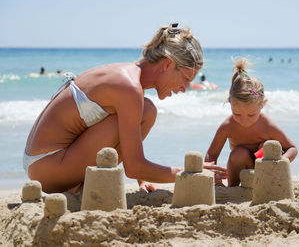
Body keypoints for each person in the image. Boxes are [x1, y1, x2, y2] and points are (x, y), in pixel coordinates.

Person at [23, 23, 227, 194]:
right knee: (146, 111)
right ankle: (75, 186)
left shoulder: (126, 75)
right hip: (47, 168)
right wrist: (188, 172)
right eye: (185, 78)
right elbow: (134, 166)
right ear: (166, 65)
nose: (184, 88)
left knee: (146, 110)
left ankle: (78, 184)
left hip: (42, 164)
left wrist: (141, 180)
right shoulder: (128, 87)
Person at [205, 58, 298, 187]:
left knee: (266, 146)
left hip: (267, 170)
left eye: (251, 114)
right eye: (237, 114)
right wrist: (214, 176)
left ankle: (265, 186)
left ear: (262, 104)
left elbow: (292, 148)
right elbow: (212, 154)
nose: (244, 119)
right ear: (230, 102)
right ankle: (233, 188)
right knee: (239, 154)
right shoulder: (228, 126)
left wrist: (282, 161)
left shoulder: (267, 125)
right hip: (241, 168)